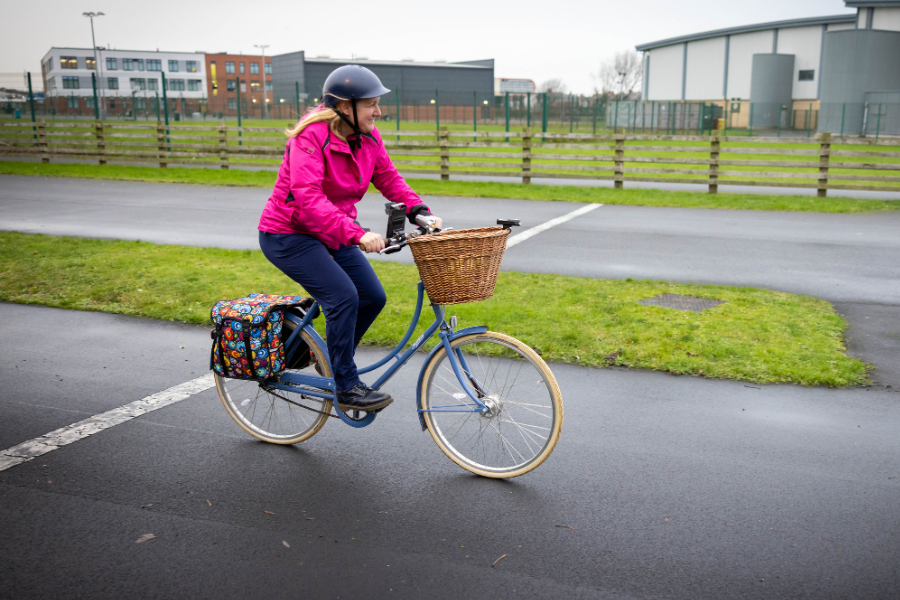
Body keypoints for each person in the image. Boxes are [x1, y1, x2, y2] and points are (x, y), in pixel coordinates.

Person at [258, 65, 441, 413]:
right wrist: (358, 234)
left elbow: (389, 178)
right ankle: (345, 384)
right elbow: (308, 198)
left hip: (333, 229)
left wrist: (420, 211)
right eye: (371, 104)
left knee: (372, 296)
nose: (378, 111)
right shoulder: (310, 136)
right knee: (343, 297)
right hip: (288, 234)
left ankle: (327, 359)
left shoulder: (368, 136)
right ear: (345, 106)